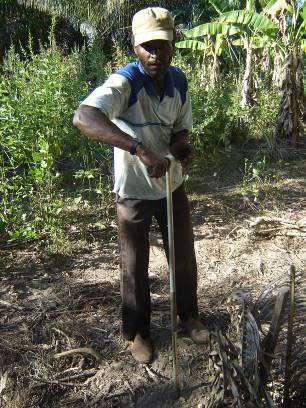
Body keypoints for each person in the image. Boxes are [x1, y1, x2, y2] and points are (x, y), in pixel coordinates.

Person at [73, 7, 209, 364]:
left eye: (162, 45)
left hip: (171, 186)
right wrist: (140, 150)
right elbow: (84, 117)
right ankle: (138, 332)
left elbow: (181, 128)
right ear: (134, 47)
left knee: (182, 257)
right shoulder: (125, 83)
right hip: (133, 190)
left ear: (173, 46)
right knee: (134, 266)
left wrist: (181, 148)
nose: (155, 54)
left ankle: (188, 317)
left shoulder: (178, 82)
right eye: (147, 46)